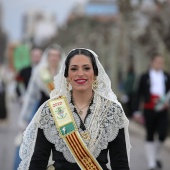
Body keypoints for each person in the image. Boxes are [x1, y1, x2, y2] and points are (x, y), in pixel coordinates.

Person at [18, 48, 131, 170]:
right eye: (74, 69)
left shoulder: (112, 110)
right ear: (66, 75)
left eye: (86, 68)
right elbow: (38, 160)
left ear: (95, 74)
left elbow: (120, 162)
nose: (80, 73)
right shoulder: (50, 110)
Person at [14, 44, 65, 170]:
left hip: (61, 111)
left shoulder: (65, 72)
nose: (53, 58)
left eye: (56, 55)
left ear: (60, 57)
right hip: (42, 110)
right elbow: (31, 96)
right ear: (47, 57)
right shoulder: (39, 72)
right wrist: (23, 117)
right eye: (51, 55)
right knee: (38, 144)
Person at [133, 53, 170, 170]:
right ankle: (151, 163)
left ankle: (156, 155)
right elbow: (138, 94)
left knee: (162, 134)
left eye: (161, 62)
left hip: (162, 109)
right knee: (150, 133)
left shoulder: (167, 76)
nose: (160, 64)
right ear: (152, 62)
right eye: (157, 61)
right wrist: (136, 111)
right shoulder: (144, 77)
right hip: (149, 109)